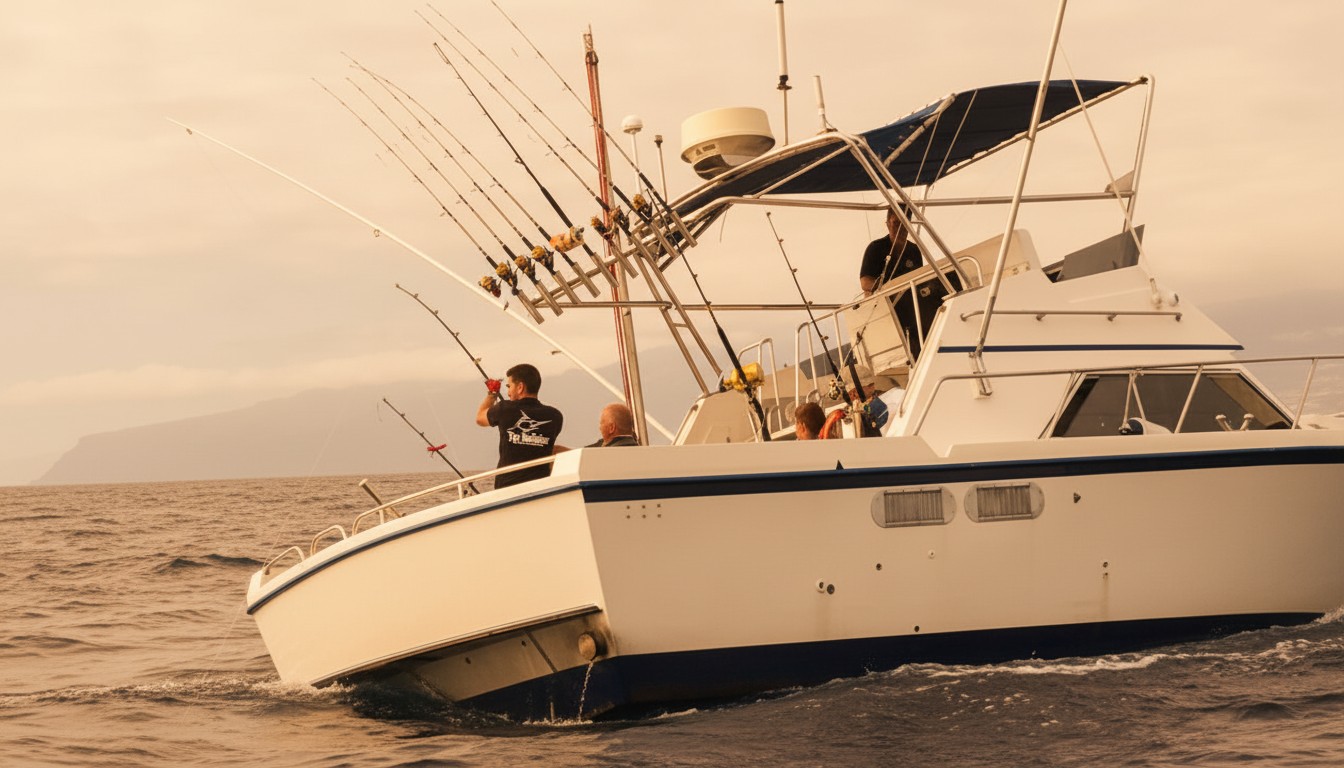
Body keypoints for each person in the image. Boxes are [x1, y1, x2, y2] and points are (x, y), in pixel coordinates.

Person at [858, 206, 959, 364]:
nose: (900, 228)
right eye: (896, 223)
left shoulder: (913, 250)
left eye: (905, 224)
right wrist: (889, 288)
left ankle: (939, 347)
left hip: (912, 307)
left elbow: (918, 280)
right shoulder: (876, 248)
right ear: (887, 224)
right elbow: (865, 282)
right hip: (885, 308)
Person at [476, 363, 564, 488]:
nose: (508, 392)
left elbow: (480, 418)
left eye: (509, 386)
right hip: (542, 487)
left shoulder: (504, 409)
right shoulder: (555, 416)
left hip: (508, 487)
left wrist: (492, 393)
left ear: (520, 387)